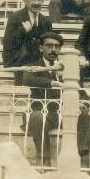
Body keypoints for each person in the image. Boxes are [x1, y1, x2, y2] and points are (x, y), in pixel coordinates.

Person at [17, 31, 66, 165]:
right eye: (49, 46)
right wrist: (52, 83)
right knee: (38, 117)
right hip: (41, 112)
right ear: (40, 48)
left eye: (56, 46)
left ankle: (82, 158)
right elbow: (28, 79)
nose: (53, 50)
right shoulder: (33, 65)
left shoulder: (65, 67)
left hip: (62, 113)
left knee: (84, 114)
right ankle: (44, 159)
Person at [1, 0, 55, 74]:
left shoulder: (46, 21)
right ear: (25, 1)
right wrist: (23, 30)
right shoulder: (15, 17)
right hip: (18, 59)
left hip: (37, 61)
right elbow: (8, 44)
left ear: (43, 1)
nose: (36, 3)